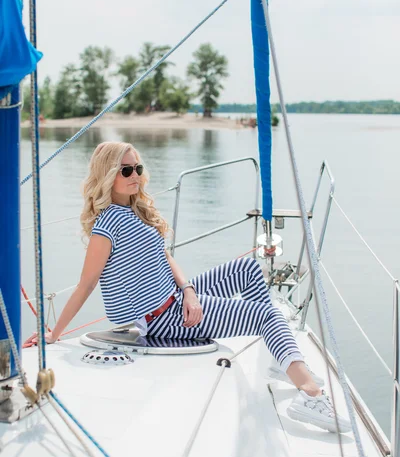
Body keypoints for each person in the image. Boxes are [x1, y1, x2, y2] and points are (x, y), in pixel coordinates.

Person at [33, 141, 350, 433]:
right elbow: (87, 284)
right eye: (125, 170)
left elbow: (166, 257)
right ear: (108, 175)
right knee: (267, 316)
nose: (134, 176)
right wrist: (54, 334)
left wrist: (188, 291)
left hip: (174, 297)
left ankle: (281, 359)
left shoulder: (134, 212)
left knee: (249, 268)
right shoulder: (108, 225)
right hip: (161, 317)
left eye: (138, 169)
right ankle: (309, 393)